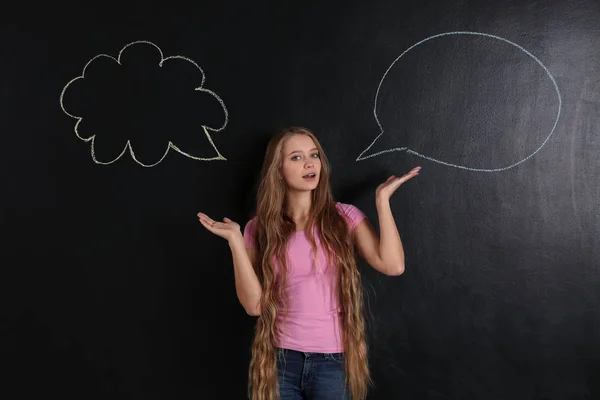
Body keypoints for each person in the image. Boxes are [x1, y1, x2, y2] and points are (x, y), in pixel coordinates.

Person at [197, 127, 420, 400]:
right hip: (281, 362)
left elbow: (393, 265)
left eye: (313, 155)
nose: (310, 163)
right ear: (277, 170)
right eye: (296, 157)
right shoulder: (259, 228)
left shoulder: (344, 217)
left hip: (332, 363)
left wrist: (382, 201)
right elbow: (254, 306)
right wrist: (234, 240)